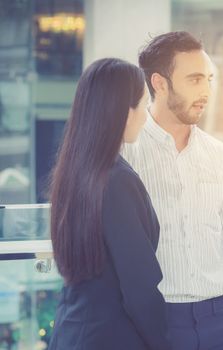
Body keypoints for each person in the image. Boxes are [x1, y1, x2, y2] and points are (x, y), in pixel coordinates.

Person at [121, 31, 223, 350]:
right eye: (195, 80)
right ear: (160, 83)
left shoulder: (221, 155)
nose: (206, 91)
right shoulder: (127, 154)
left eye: (209, 79)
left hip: (219, 322)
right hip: (152, 324)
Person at [48, 58, 170, 350]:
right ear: (122, 111)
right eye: (142, 104)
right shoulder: (117, 181)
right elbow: (139, 290)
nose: (145, 116)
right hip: (112, 338)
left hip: (70, 332)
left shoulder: (74, 173)